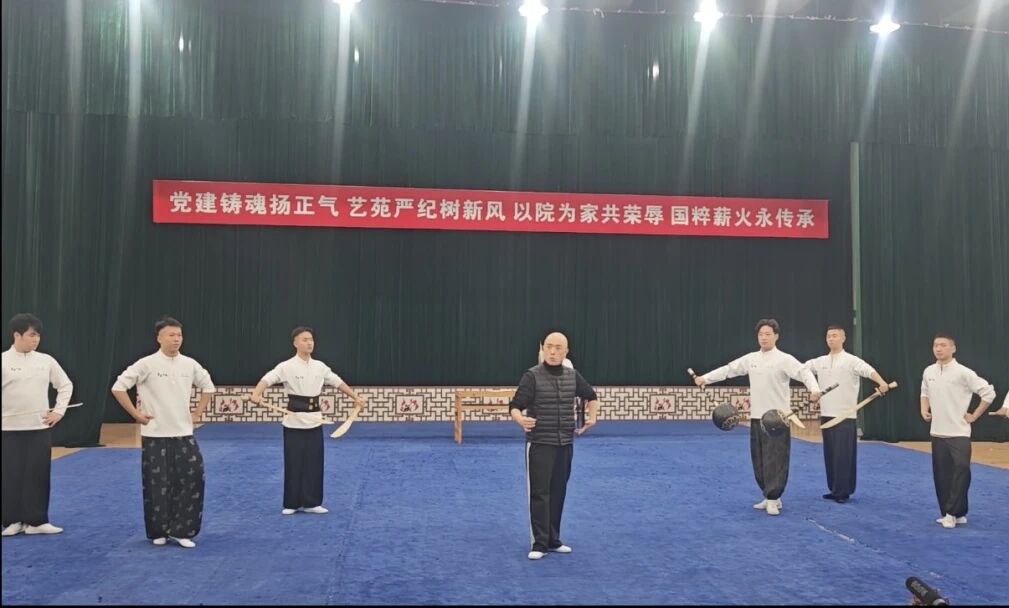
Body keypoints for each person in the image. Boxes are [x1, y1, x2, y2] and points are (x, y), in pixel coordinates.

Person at [694, 319, 821, 516]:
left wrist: (814, 389)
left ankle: (773, 497)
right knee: (759, 459)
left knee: (776, 459)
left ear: (776, 336)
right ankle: (769, 495)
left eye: (768, 334)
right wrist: (705, 378)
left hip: (777, 419)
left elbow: (803, 372)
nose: (764, 337)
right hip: (756, 417)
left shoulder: (784, 359)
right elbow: (729, 369)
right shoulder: (751, 358)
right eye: (761, 334)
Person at [111, 317, 215, 548]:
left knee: (193, 477)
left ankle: (182, 530)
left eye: (179, 335)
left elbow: (208, 387)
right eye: (171, 335)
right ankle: (158, 530)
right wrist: (136, 415)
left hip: (183, 433)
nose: (176, 339)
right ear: (159, 338)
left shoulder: (190, 364)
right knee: (156, 484)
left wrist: (197, 413)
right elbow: (118, 387)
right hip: (155, 435)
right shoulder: (146, 364)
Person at [249, 326, 365, 515]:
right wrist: (256, 393)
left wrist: (355, 397)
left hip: (314, 420)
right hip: (293, 421)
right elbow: (267, 379)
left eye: (311, 339)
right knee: (293, 462)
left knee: (314, 462)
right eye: (304, 339)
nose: (309, 343)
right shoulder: (286, 366)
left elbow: (337, 382)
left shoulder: (320, 366)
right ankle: (291, 503)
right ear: (295, 343)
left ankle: (312, 502)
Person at [510, 332, 598, 560]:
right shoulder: (532, 376)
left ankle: (553, 540)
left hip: (565, 443)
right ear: (542, 349)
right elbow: (515, 405)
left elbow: (591, 396)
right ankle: (539, 543)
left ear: (566, 351)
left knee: (558, 492)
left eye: (558, 347)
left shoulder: (572, 376)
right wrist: (521, 419)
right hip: (540, 443)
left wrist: (592, 418)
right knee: (540, 493)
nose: (553, 351)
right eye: (549, 346)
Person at [1, 313, 74, 537]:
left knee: (38, 474)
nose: (36, 339)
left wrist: (59, 411)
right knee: (11, 475)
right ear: (17, 335)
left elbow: (65, 385)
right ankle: (12, 520)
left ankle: (37, 521)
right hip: (8, 430)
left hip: (39, 429)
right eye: (32, 335)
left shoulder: (46, 360)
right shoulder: (3, 360)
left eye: (38, 335)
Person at [803, 325, 891, 503]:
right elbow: (801, 370)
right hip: (827, 414)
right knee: (830, 454)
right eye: (828, 336)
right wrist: (813, 389)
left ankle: (843, 491)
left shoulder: (851, 361)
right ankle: (834, 488)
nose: (831, 339)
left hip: (845, 416)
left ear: (843, 338)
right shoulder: (820, 361)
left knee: (843, 455)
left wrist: (882, 382)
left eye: (835, 335)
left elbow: (868, 370)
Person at [920, 333, 995, 529]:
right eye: (935, 345)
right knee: (941, 475)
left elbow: (988, 393)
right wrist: (924, 408)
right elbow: (924, 391)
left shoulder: (964, 372)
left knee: (962, 470)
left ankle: (953, 512)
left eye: (943, 345)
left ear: (953, 349)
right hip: (937, 432)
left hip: (959, 433)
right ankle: (953, 513)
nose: (938, 349)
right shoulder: (929, 371)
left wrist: (974, 415)